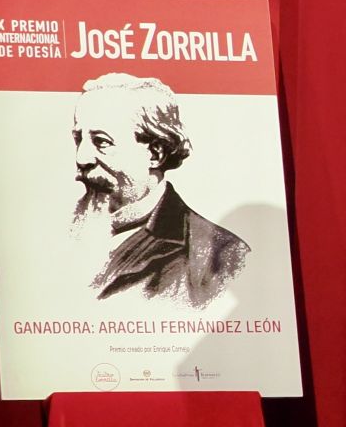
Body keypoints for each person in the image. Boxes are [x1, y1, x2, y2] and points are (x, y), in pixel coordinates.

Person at [71, 72, 248, 307]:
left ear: (155, 153)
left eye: (102, 142)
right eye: (78, 139)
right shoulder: (57, 235)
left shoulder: (219, 256)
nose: (81, 158)